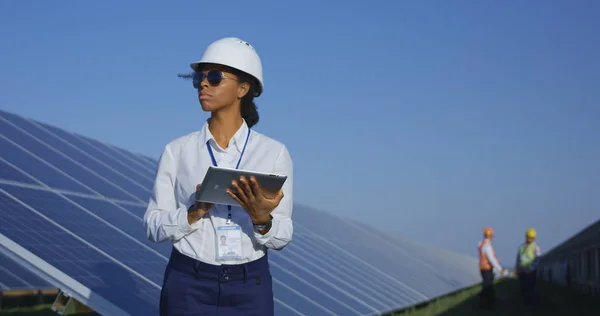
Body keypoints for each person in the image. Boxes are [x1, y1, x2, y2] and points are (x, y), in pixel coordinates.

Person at [143, 37, 294, 316]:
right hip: (188, 283)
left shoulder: (274, 153)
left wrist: (263, 220)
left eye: (214, 77)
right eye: (199, 78)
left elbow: (283, 235)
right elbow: (152, 225)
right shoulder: (177, 151)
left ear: (243, 89)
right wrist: (193, 212)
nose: (203, 84)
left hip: (250, 287)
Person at [478, 227, 504, 310]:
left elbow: (485, 257)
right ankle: (489, 305)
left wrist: (494, 259)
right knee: (488, 288)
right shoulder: (487, 246)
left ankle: (486, 303)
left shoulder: (480, 244)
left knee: (487, 286)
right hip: (487, 270)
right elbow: (491, 259)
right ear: (490, 236)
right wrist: (500, 269)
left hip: (482, 269)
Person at [515, 228, 542, 305]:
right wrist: (517, 269)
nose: (529, 239)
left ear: (533, 238)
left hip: (530, 271)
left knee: (530, 287)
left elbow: (538, 259)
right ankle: (525, 302)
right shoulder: (521, 247)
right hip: (522, 270)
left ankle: (532, 303)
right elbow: (518, 259)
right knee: (523, 287)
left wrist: (531, 268)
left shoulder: (536, 247)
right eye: (528, 237)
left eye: (531, 238)